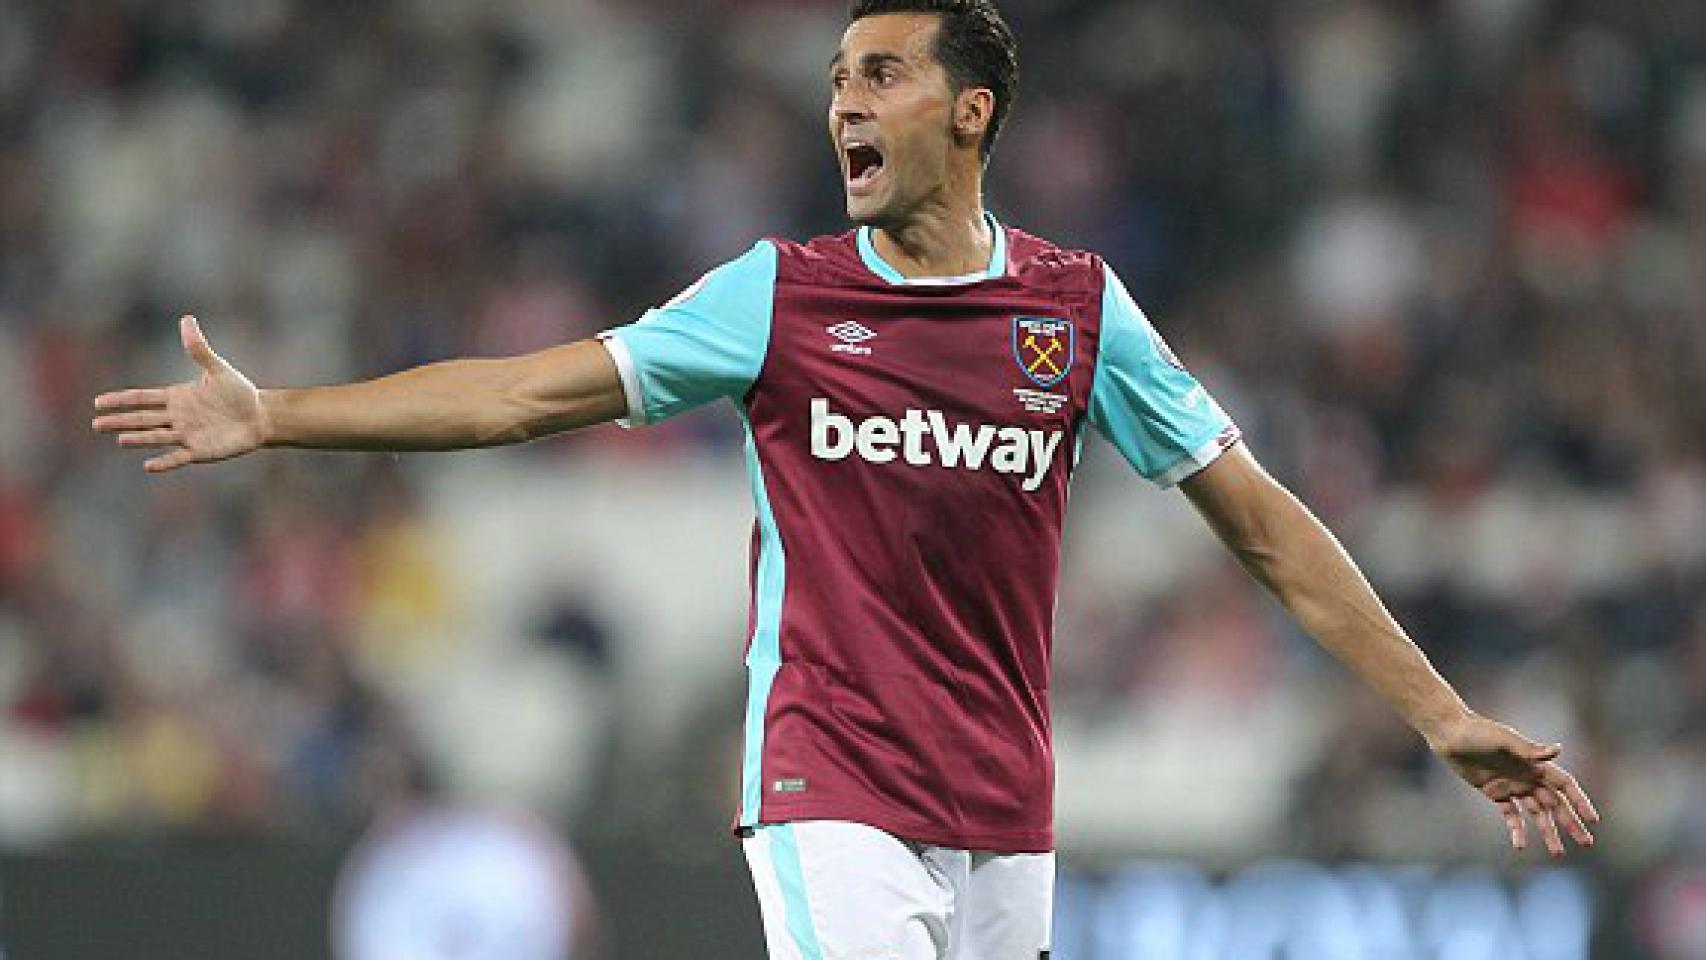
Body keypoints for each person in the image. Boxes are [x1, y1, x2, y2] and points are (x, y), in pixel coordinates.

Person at [94, 1, 1599, 957]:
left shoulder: (1075, 312)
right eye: (833, 81)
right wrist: (281, 414)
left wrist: (1440, 712)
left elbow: (1262, 528)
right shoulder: (778, 297)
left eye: (880, 74)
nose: (842, 107)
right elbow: (518, 396)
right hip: (831, 782)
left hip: (1007, 804)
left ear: (971, 111)